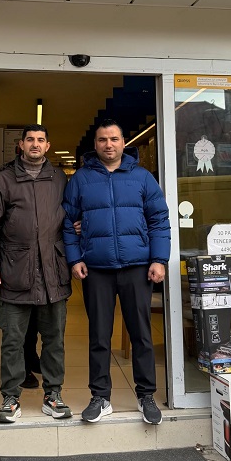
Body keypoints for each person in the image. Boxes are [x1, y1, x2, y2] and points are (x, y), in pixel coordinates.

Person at [63, 119, 170, 425]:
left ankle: (146, 395)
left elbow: (159, 220)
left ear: (124, 142)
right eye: (102, 140)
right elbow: (68, 222)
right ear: (95, 144)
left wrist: (159, 259)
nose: (108, 144)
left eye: (113, 139)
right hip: (97, 269)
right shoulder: (81, 179)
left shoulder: (142, 177)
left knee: (141, 335)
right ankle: (100, 397)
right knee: (99, 335)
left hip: (137, 267)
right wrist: (75, 259)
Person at [0, 123, 72, 423]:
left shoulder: (59, 178)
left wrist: (77, 227)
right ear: (20, 145)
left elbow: (71, 215)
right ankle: (10, 398)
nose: (35, 144)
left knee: (54, 339)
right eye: (30, 139)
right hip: (14, 271)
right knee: (13, 341)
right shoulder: (4, 180)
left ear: (48, 146)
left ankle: (53, 395)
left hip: (52, 272)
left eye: (41, 140)